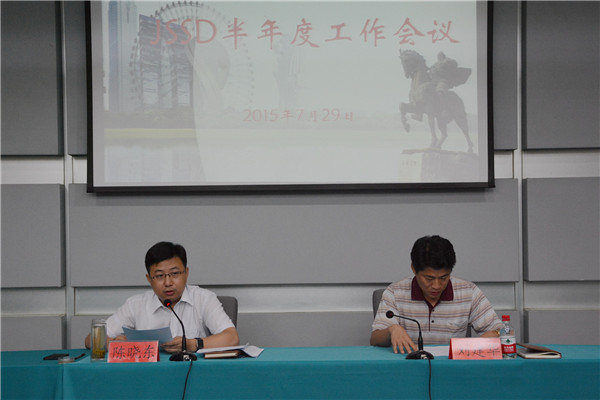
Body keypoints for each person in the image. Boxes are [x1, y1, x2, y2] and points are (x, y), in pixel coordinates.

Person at [85, 241, 239, 353]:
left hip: (194, 373)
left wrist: (193, 344)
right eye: (159, 276)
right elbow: (91, 339)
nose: (168, 282)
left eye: (175, 274)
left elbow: (231, 338)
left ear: (186, 273)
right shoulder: (135, 305)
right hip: (148, 377)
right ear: (149, 279)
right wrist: (115, 344)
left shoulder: (204, 299)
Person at [370, 235, 503, 354]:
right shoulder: (395, 292)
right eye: (429, 278)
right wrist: (392, 329)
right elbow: (375, 339)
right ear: (414, 269)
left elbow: (501, 332)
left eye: (444, 278)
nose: (437, 286)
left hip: (453, 367)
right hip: (409, 365)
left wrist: (493, 335)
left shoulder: (469, 292)